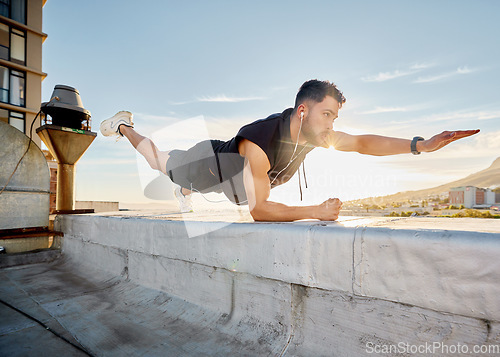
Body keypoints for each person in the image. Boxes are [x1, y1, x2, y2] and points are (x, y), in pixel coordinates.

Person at [100, 80, 480, 222]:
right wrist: (315, 211)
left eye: (334, 116)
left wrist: (420, 146)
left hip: (227, 183)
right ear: (304, 110)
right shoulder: (260, 145)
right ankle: (123, 125)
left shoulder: (313, 135)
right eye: (327, 114)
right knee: (159, 161)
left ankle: (184, 191)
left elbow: (362, 143)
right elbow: (260, 210)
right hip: (204, 164)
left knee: (199, 186)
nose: (331, 124)